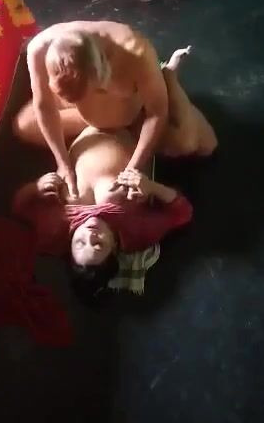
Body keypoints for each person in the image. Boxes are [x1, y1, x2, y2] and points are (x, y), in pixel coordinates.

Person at [11, 49, 199, 301]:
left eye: (80, 243)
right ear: (114, 249)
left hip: (87, 125)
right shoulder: (135, 229)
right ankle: (167, 79)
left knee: (22, 125)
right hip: (134, 126)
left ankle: (99, 90)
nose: (90, 234)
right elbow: (182, 213)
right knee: (187, 141)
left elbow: (19, 206)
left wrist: (36, 187)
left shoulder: (54, 227)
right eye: (99, 244)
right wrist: (151, 187)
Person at [14, 25, 216, 200]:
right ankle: (101, 121)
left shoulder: (134, 50)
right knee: (24, 126)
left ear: (101, 69)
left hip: (135, 113)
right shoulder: (38, 49)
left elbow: (156, 111)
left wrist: (133, 168)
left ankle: (168, 77)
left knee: (192, 143)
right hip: (88, 118)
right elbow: (44, 107)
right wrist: (63, 165)